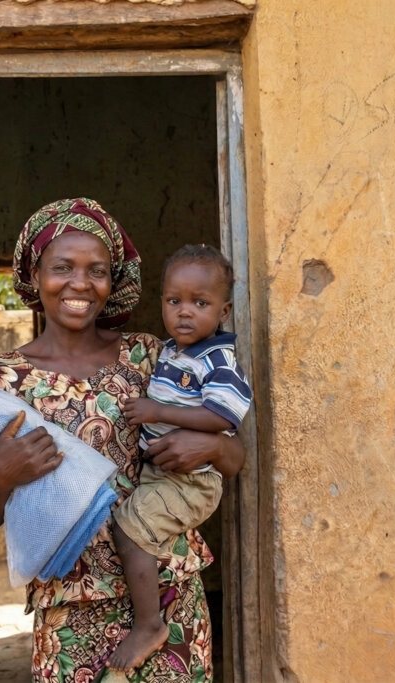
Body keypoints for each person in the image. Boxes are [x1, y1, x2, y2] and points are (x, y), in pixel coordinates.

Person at [0, 198, 245, 682]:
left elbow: (234, 456)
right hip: (69, 605)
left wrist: (214, 448)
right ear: (35, 275)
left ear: (112, 282)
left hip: (168, 590)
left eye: (97, 270)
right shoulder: (5, 381)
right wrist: (2, 476)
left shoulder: (152, 355)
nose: (80, 283)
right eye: (62, 268)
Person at [109, 244, 251, 673]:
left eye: (199, 303)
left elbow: (222, 415)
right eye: (174, 301)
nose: (184, 312)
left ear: (223, 311)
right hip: (161, 475)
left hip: (193, 481)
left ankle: (150, 625)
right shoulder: (171, 351)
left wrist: (157, 412)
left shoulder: (219, 361)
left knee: (129, 529)